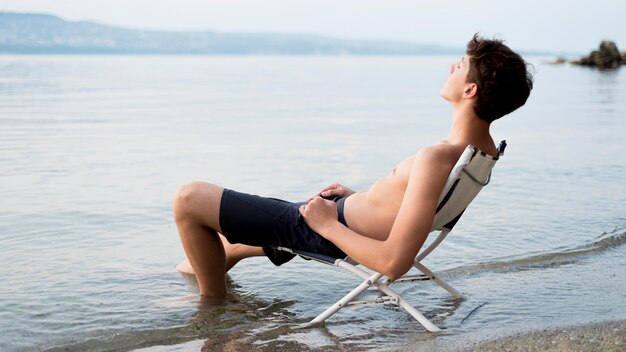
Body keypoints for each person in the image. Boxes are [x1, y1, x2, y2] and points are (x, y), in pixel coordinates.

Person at [173, 34, 534, 298]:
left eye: (461, 65)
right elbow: (410, 208)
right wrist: (357, 199)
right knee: (232, 243)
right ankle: (204, 271)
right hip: (340, 218)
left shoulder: (438, 157)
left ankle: (215, 307)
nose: (451, 66)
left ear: (469, 90)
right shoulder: (481, 152)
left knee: (189, 200)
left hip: (326, 230)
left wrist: (327, 224)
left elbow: (394, 263)